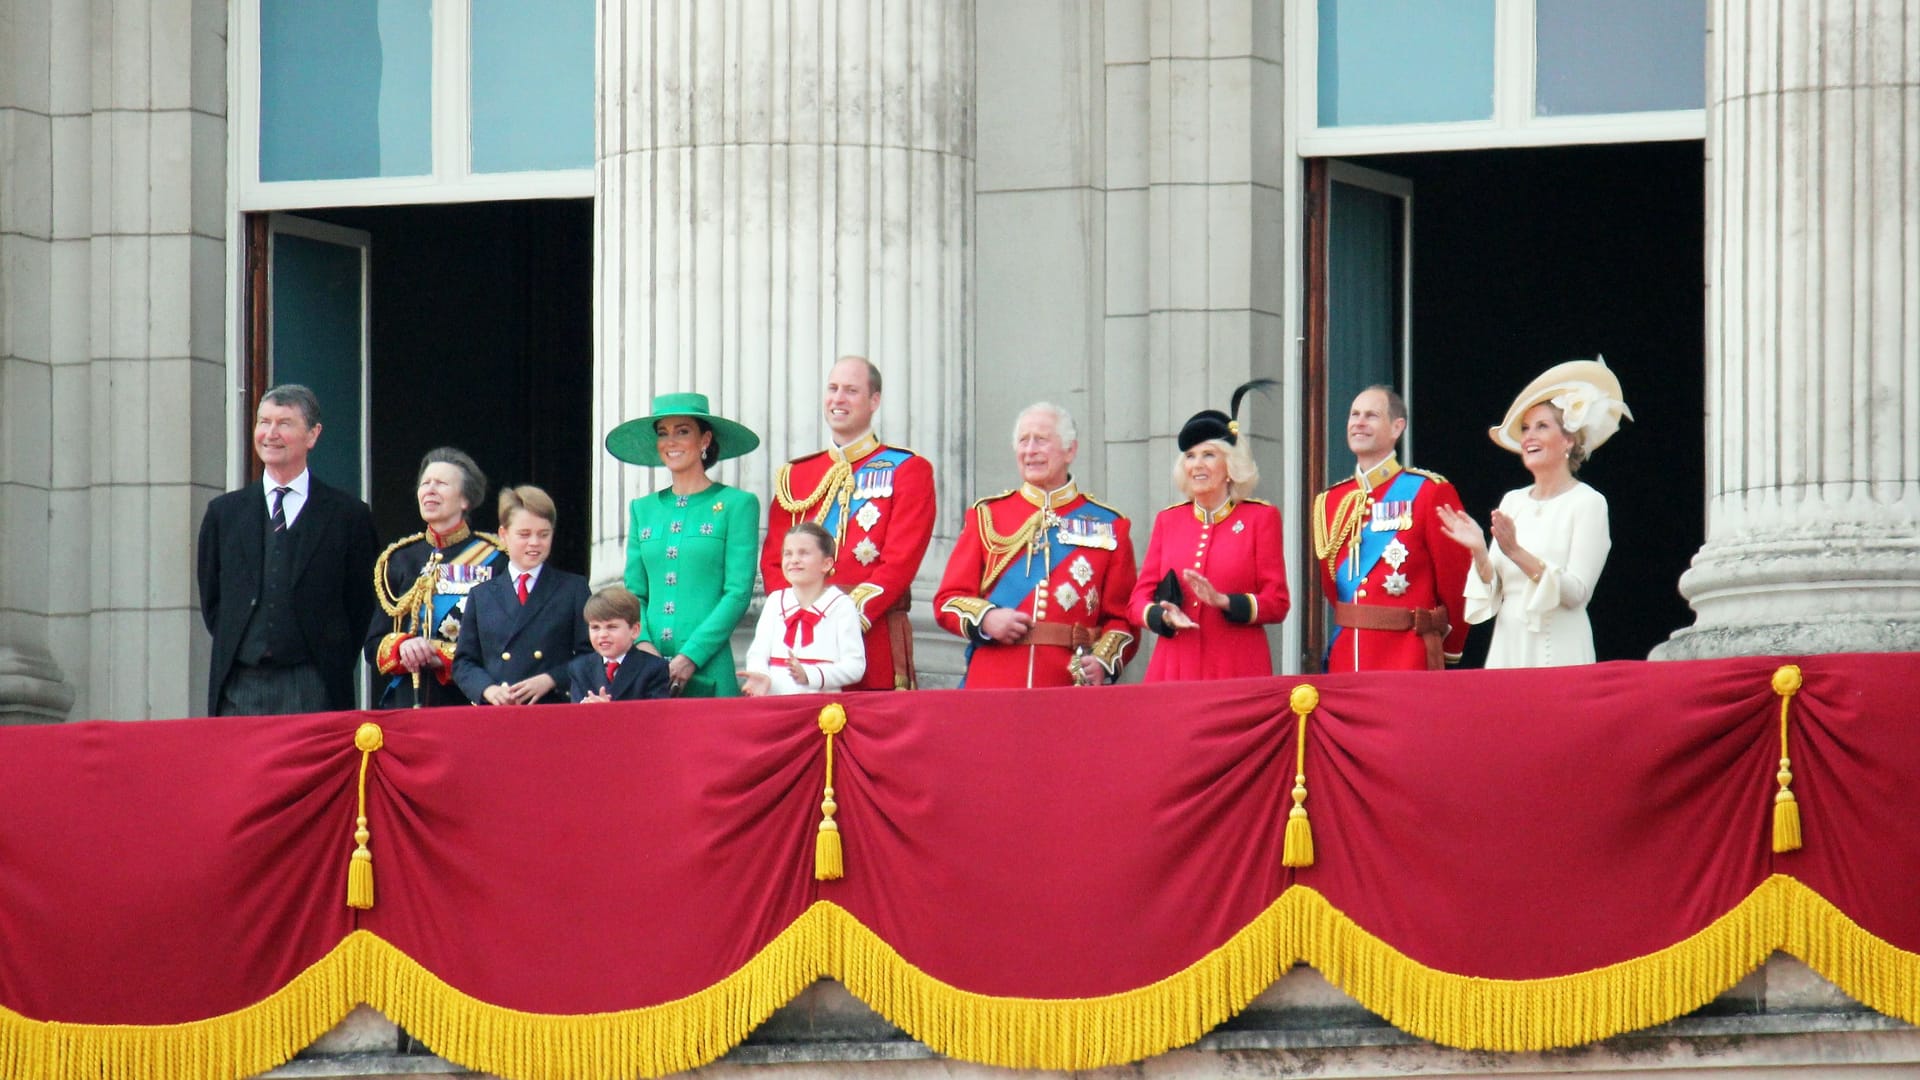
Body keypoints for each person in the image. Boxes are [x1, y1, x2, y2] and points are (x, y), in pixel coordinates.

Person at [197, 384, 380, 716]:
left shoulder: (348, 516)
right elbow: (214, 603)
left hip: (314, 683)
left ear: (312, 435)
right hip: (240, 685)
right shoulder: (224, 514)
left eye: (284, 423)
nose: (270, 433)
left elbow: (361, 604)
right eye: (263, 422)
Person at [1437, 358, 1630, 668]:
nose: (1528, 437)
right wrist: (1478, 551)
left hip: (1561, 647)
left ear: (1568, 440)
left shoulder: (1588, 503)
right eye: (1526, 428)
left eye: (1542, 426)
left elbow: (1576, 593)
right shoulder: (1513, 501)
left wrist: (1515, 551)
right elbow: (1496, 589)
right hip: (1509, 647)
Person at [935, 403, 1138, 688]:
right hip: (993, 683)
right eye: (1023, 440)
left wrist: (1103, 662)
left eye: (1041, 440)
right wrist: (987, 619)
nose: (1030, 450)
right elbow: (948, 600)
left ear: (1070, 450)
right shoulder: (987, 516)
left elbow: (1123, 619)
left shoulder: (1110, 525)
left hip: (1067, 684)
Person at [762, 356, 935, 690]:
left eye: (851, 391)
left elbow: (900, 562)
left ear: (874, 401)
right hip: (800, 639)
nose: (838, 399)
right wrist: (795, 616)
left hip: (870, 635)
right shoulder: (796, 476)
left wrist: (839, 618)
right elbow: (774, 560)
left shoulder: (908, 470)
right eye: (833, 389)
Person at [1131, 381, 1290, 682]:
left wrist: (1224, 602)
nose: (1197, 465)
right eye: (1190, 456)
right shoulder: (1169, 521)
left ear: (1230, 465)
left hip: (1236, 667)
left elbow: (1277, 601)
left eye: (1208, 455)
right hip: (1175, 667)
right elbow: (1137, 600)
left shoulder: (1260, 518)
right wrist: (1164, 616)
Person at [605, 392, 762, 698]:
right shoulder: (643, 508)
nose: (671, 442)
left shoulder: (737, 504)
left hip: (710, 666)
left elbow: (738, 592)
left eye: (682, 431)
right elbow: (635, 591)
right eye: (663, 433)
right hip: (647, 669)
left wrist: (691, 655)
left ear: (705, 439)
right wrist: (644, 645)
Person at [1311, 386, 1471, 672]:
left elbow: (1456, 581)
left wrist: (1447, 649)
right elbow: (1333, 587)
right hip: (1347, 656)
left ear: (1397, 427)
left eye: (1371, 415)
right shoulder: (1330, 502)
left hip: (1406, 656)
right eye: (1354, 415)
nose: (1359, 422)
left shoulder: (1429, 492)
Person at [365, 447, 505, 708]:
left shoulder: (496, 559)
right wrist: (402, 647)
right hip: (407, 701)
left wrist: (442, 656)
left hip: (466, 702)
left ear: (465, 500)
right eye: (425, 483)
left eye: (441, 484)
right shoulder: (398, 559)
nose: (429, 490)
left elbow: (503, 643)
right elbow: (373, 645)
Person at [452, 486, 591, 705]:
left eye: (543, 534)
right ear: (503, 535)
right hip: (499, 712)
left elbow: (590, 655)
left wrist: (551, 679)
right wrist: (487, 689)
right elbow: (464, 663)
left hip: (552, 708)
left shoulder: (573, 589)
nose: (534, 543)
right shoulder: (482, 595)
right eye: (524, 534)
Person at [742, 523, 868, 696]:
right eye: (788, 553)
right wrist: (760, 675)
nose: (794, 560)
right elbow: (757, 653)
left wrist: (811, 675)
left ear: (826, 563)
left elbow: (855, 666)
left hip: (821, 708)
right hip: (773, 702)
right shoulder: (775, 602)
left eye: (804, 553)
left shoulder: (842, 606)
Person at [570, 586, 673, 702]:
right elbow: (573, 714)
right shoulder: (579, 668)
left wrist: (609, 711)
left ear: (634, 630)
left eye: (612, 627)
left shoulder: (654, 668)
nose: (602, 634)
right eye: (595, 627)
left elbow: (655, 714)